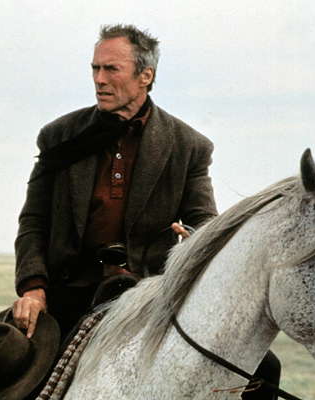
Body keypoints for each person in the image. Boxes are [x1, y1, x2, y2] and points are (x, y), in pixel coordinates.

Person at [12, 24, 217, 339]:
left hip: (149, 299)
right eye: (95, 68)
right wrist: (33, 288)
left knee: (262, 364)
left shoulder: (188, 146)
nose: (99, 79)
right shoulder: (60, 136)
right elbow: (34, 221)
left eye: (111, 69)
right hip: (66, 295)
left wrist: (196, 241)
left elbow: (204, 225)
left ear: (145, 76)